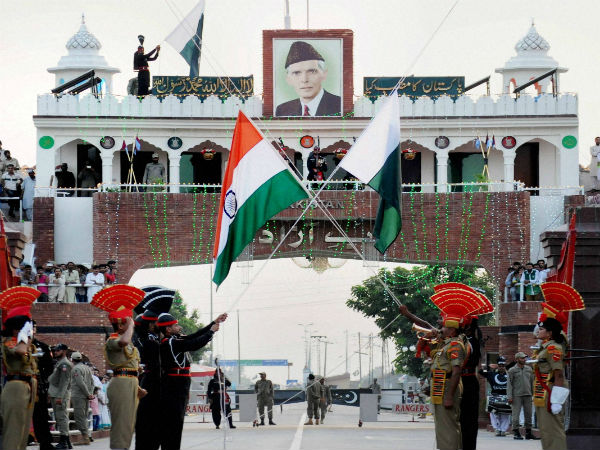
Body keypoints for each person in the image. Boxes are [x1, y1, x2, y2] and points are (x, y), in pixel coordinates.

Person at [159, 312, 228, 446]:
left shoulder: (174, 340)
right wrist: (211, 332)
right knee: (174, 420)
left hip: (179, 382)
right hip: (175, 383)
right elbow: (194, 343)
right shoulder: (171, 342)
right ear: (168, 329)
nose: (179, 327)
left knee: (177, 419)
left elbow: (194, 336)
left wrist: (213, 323)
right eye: (176, 325)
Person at [0, 305, 37, 450]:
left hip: (27, 385)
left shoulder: (23, 342)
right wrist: (24, 337)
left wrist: (27, 338)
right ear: (17, 329)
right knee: (14, 428)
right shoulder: (9, 341)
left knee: (23, 427)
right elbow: (21, 351)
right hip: (16, 386)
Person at [105, 310, 143, 450]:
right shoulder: (113, 340)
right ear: (121, 326)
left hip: (130, 382)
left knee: (128, 423)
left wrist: (138, 387)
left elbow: (131, 368)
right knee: (121, 422)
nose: (132, 324)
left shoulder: (129, 344)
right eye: (128, 321)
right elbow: (123, 341)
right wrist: (131, 326)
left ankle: (124, 447)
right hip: (121, 382)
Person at [275, 41, 341, 117]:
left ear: (324, 75)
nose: (304, 80)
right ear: (288, 79)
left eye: (312, 71)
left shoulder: (340, 106)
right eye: (296, 73)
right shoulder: (282, 110)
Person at [533, 317, 568, 450]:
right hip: (542, 390)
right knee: (545, 429)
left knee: (553, 429)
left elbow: (558, 374)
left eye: (541, 329)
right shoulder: (544, 347)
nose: (538, 331)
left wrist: (556, 400)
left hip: (551, 389)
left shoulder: (553, 348)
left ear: (550, 333)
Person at [430, 316, 465, 450]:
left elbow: (456, 371)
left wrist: (449, 396)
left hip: (447, 387)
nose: (441, 329)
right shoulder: (445, 344)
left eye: (444, 327)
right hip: (440, 386)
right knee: (442, 425)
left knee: (448, 424)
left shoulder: (455, 345)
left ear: (452, 330)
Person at [134, 309, 161, 450]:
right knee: (147, 418)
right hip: (147, 380)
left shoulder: (148, 339)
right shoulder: (147, 341)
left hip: (145, 379)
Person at [31, 322, 56, 450]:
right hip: (21, 383)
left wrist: (44, 380)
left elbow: (49, 367)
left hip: (38, 384)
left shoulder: (42, 347)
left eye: (33, 327)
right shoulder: (15, 345)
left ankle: (45, 442)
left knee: (40, 415)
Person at [460, 316, 482, 450]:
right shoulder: (463, 340)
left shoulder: (471, 342)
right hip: (462, 381)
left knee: (468, 420)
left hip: (467, 381)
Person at [507, 351, 537, 440]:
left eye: (524, 358)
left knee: (529, 415)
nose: (524, 359)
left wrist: (533, 394)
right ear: (517, 359)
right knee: (515, 415)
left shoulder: (529, 369)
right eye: (522, 358)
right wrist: (509, 396)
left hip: (528, 394)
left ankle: (528, 433)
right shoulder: (512, 370)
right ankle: (516, 432)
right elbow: (509, 384)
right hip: (516, 395)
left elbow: (532, 382)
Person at [48, 343, 73, 449]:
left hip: (59, 394)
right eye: (55, 350)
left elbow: (64, 382)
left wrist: (60, 396)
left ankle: (64, 442)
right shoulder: (60, 363)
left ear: (64, 351)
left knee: (61, 418)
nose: (55, 352)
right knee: (60, 418)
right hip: (56, 393)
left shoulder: (64, 364)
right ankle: (67, 442)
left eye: (58, 350)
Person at [479, 357, 511, 437]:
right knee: (494, 413)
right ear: (497, 366)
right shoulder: (492, 374)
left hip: (506, 396)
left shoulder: (509, 374)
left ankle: (503, 430)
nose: (501, 367)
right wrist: (488, 366)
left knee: (505, 414)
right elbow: (481, 371)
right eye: (500, 365)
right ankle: (497, 429)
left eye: (503, 365)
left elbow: (514, 364)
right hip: (495, 396)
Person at [71, 351, 94, 445]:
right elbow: (92, 382)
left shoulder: (76, 369)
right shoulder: (87, 368)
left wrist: (88, 394)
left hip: (79, 395)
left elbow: (80, 383)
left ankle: (85, 437)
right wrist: (90, 393)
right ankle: (87, 436)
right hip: (86, 396)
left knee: (79, 417)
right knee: (84, 416)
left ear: (72, 360)